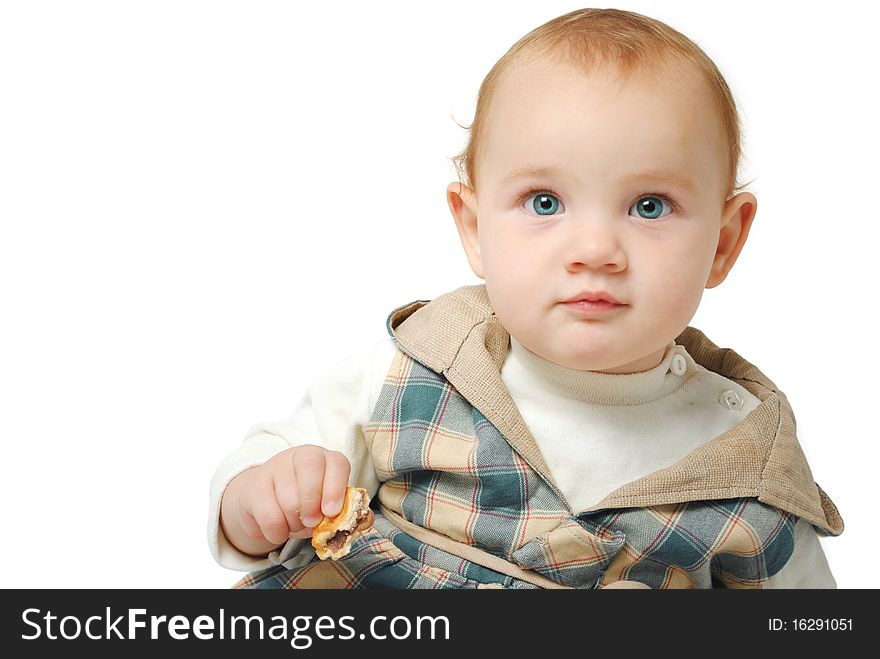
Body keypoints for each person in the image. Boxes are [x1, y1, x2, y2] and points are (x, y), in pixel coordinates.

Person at [208, 7, 843, 589]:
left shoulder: (747, 468)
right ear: (474, 228)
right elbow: (266, 468)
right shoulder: (421, 365)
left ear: (723, 243)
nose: (595, 249)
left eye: (650, 206)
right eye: (545, 203)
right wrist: (260, 500)